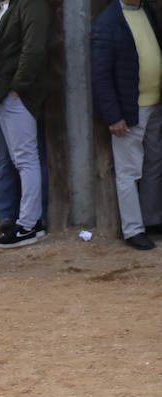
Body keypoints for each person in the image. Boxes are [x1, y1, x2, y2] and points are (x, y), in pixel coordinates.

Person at [92, 0, 162, 251]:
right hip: (130, 110)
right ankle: (133, 230)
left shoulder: (147, 12)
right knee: (129, 171)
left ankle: (152, 220)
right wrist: (113, 115)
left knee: (154, 164)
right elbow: (100, 74)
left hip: (155, 105)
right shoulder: (108, 21)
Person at [0, 0, 49, 248]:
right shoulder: (7, 5)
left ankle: (29, 225)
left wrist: (17, 88)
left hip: (16, 94)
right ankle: (29, 223)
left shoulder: (31, 4)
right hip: (6, 93)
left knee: (25, 159)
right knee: (21, 159)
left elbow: (34, 49)